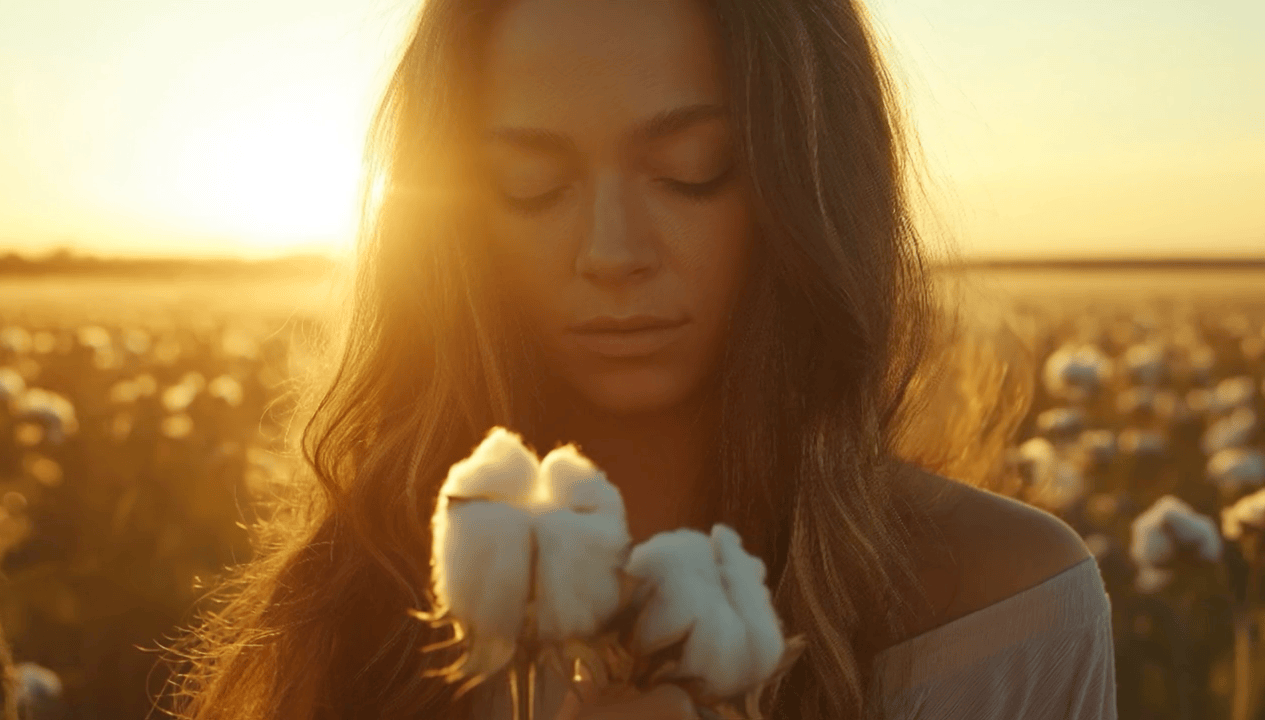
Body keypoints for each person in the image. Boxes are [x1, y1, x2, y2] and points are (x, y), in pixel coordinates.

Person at [168, 1, 1117, 718]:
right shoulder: (361, 602)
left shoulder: (1006, 608)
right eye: (529, 185)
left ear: (812, 188)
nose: (611, 251)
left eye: (692, 169)